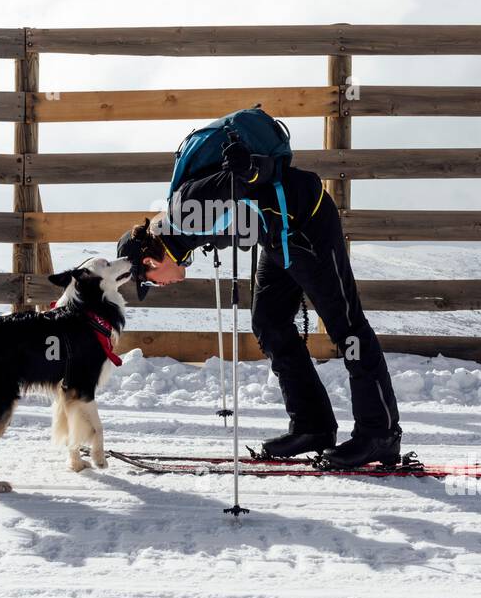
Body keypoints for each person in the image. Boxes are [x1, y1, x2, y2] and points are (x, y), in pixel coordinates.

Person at [116, 133, 401, 469]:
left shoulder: (185, 212)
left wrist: (246, 167)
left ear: (150, 263)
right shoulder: (183, 232)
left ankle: (379, 434)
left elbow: (255, 175)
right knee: (270, 323)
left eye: (150, 282)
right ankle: (313, 427)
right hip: (278, 237)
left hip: (307, 224)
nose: (159, 286)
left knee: (347, 328)